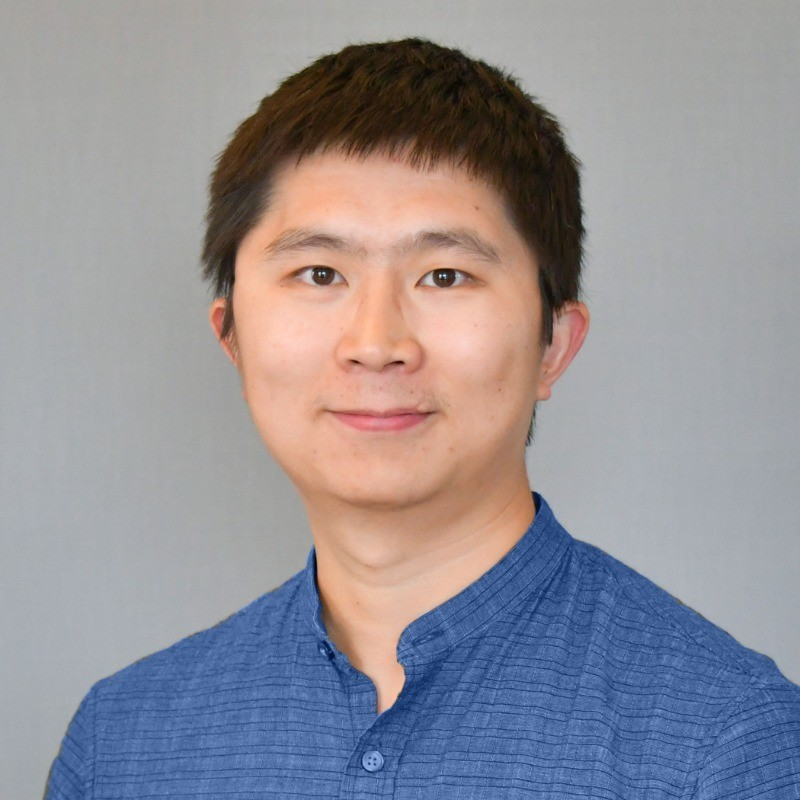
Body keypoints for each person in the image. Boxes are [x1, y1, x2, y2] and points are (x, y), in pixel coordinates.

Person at [45, 38, 800, 799]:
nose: (377, 344)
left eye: (445, 275)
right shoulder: (123, 744)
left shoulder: (729, 741)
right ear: (232, 337)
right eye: (319, 273)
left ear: (553, 345)